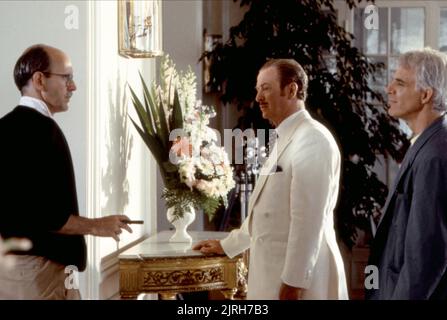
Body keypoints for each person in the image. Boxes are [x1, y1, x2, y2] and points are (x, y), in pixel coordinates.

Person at [193, 59, 348, 300]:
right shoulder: (284, 136)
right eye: (257, 89)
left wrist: (293, 283)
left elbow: (308, 220)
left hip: (300, 282)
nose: (258, 97)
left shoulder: (313, 140)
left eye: (266, 88)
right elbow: (265, 211)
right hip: (273, 274)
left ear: (291, 90)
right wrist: (229, 245)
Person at [0, 44, 133, 300]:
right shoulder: (45, 132)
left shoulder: (5, 127)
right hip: (40, 275)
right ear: (40, 79)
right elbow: (46, 216)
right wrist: (97, 226)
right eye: (67, 78)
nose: (73, 87)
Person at [366, 48, 447, 300]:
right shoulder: (428, 143)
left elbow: (425, 256)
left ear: (425, 94)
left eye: (400, 83)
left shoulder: (435, 154)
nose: (389, 89)